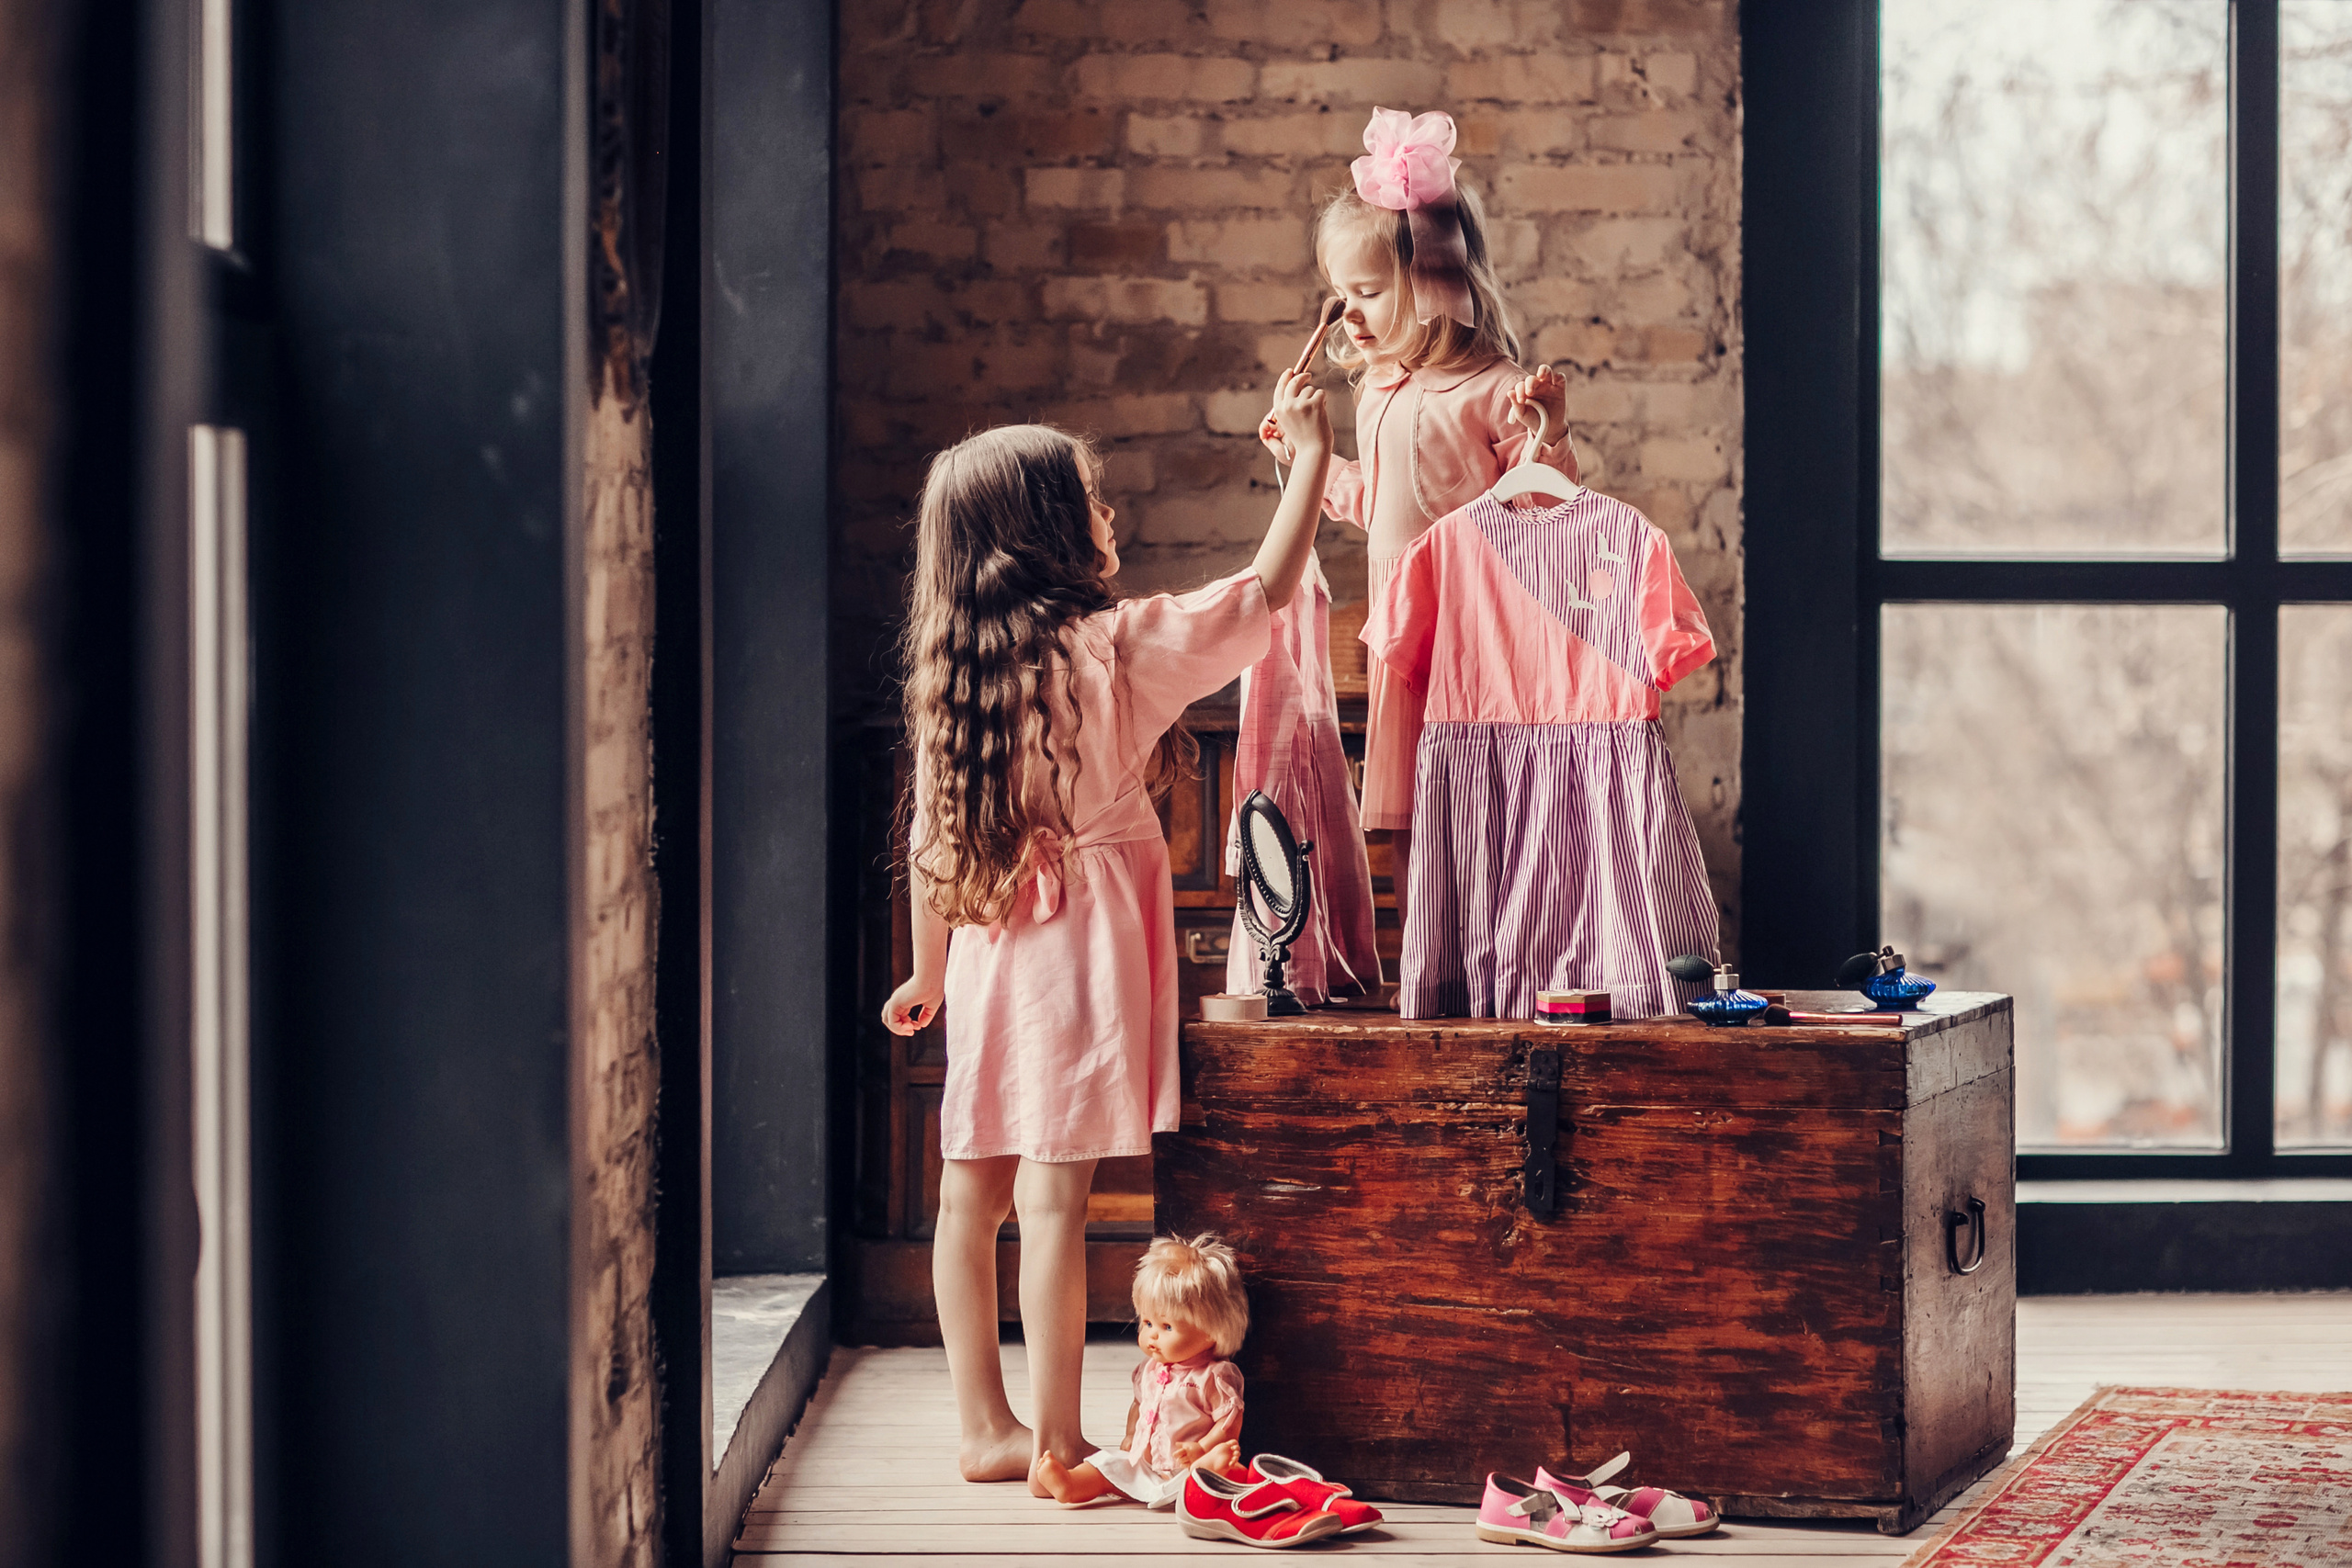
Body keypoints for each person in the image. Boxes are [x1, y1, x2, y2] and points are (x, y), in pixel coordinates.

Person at [880, 373, 1333, 1488]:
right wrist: (1312, 459)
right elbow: (1261, 592)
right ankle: (1056, 1440)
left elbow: (930, 845)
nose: (1111, 518)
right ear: (1044, 533)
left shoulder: (955, 675)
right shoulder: (1117, 649)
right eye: (1092, 501)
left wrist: (924, 973)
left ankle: (985, 1429)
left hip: (990, 948)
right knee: (1056, 1200)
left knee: (968, 1192)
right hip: (1078, 950)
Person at [1259, 106, 1578, 935]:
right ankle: (1429, 978)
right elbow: (1381, 506)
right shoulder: (1377, 390)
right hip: (1405, 644)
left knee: (1485, 823)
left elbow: (1548, 509)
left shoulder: (1493, 389)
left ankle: (1498, 970)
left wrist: (1550, 433)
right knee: (1405, 822)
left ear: (1431, 282)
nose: (1347, 316)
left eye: (1365, 292)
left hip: (1477, 645)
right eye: (1339, 296)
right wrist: (1307, 460)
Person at [1029, 1235, 1250, 1509]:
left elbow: (1230, 1420)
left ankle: (1208, 1472)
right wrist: (1131, 1435)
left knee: (1215, 1470)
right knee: (1109, 1464)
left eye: (1166, 1327)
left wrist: (1203, 1448)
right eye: (1146, 1322)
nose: (1151, 1336)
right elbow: (1139, 1405)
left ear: (1213, 1331)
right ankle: (1072, 1484)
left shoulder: (1212, 1377)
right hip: (1145, 1463)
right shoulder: (1149, 1370)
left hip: (1188, 1465)